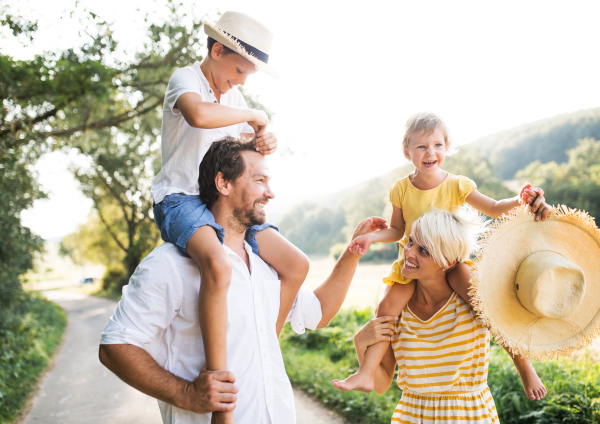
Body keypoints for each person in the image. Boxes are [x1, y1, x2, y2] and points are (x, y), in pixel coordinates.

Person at [99, 137, 386, 423]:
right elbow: (115, 347)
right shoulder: (170, 264)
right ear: (223, 183)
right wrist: (185, 393)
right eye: (259, 180)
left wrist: (352, 253)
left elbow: (319, 313)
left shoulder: (266, 266)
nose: (270, 193)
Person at [150, 12, 308, 424]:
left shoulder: (235, 99)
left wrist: (261, 140)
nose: (241, 82)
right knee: (218, 264)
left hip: (220, 200)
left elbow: (238, 154)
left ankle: (260, 351)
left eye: (248, 75)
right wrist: (250, 116)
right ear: (217, 50)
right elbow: (200, 116)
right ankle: (221, 394)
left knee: (296, 264)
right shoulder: (185, 80)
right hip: (182, 200)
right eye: (239, 70)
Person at [333, 112, 549, 401]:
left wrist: (520, 200)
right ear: (406, 150)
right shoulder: (401, 188)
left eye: (437, 145)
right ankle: (366, 372)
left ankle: (524, 366)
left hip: (449, 261)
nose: (430, 152)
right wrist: (370, 237)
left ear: (446, 147)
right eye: (421, 146)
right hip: (412, 262)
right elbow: (397, 230)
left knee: (487, 307)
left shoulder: (457, 184)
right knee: (385, 309)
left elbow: (495, 208)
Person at [352, 208, 501, 423]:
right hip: (413, 417)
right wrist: (360, 345)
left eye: (424, 251)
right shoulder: (397, 310)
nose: (409, 253)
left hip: (468, 417)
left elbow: (514, 327)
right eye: (411, 242)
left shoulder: (471, 300)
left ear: (448, 262)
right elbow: (382, 383)